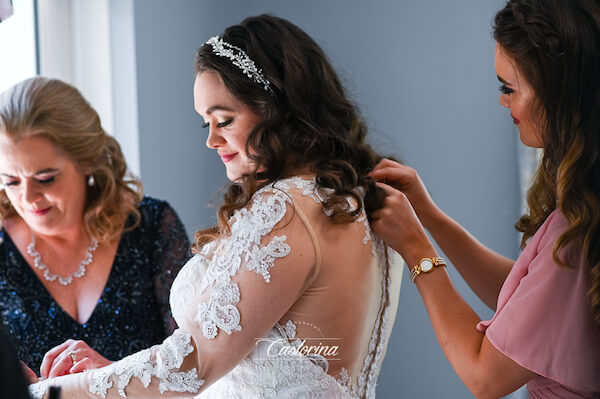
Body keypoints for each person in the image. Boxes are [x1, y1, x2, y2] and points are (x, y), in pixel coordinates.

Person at [28, 14, 403, 399]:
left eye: (223, 120)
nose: (211, 140)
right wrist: (113, 373)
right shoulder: (354, 198)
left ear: (277, 108)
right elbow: (252, 368)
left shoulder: (286, 209)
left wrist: (46, 392)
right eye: (204, 122)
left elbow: (193, 365)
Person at [370, 0, 600, 397]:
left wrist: (415, 248)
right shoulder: (586, 203)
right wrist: (429, 216)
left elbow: (485, 376)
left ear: (559, 91)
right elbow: (530, 304)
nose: (502, 101)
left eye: (509, 88)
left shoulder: (577, 227)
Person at [0, 77, 190, 380]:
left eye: (46, 178)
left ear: (87, 160)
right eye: (10, 181)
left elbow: (197, 367)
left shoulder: (152, 228)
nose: (27, 198)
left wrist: (116, 377)